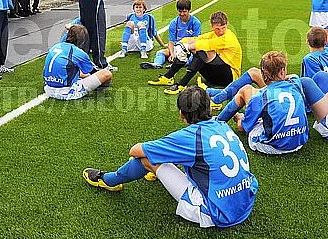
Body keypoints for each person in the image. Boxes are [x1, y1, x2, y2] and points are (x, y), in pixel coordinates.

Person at [82, 86, 259, 228]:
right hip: (245, 201)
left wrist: (155, 156)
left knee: (147, 159)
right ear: (209, 107)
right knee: (182, 157)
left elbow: (135, 150)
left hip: (216, 213)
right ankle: (154, 171)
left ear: (182, 114)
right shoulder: (222, 125)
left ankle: (108, 180)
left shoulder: (188, 137)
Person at [214, 52, 309, 155]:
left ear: (263, 74)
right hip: (299, 141)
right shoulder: (295, 83)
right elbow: (292, 76)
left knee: (246, 90)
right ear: (282, 71)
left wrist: (239, 118)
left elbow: (243, 128)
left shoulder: (260, 97)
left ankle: (217, 122)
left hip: (273, 146)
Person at [163, 11, 242, 95]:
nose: (221, 31)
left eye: (223, 28)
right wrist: (182, 42)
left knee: (202, 50)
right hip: (213, 77)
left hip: (229, 78)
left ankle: (182, 84)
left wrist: (185, 47)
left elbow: (207, 44)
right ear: (212, 26)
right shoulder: (212, 34)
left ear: (227, 24)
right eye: (217, 29)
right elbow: (197, 38)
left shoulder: (229, 37)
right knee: (197, 48)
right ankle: (168, 77)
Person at [43, 24, 112, 100]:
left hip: (48, 88)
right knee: (106, 74)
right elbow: (92, 72)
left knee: (73, 70)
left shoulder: (56, 46)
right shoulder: (78, 52)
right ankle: (97, 90)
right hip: (66, 92)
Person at [142, 0, 201, 71]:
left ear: (189, 10)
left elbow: (196, 40)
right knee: (161, 52)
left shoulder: (195, 22)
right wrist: (172, 53)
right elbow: (171, 41)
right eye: (180, 11)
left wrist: (185, 50)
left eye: (184, 11)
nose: (182, 14)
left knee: (196, 56)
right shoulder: (174, 23)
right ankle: (157, 64)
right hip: (178, 47)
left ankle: (181, 63)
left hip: (189, 48)